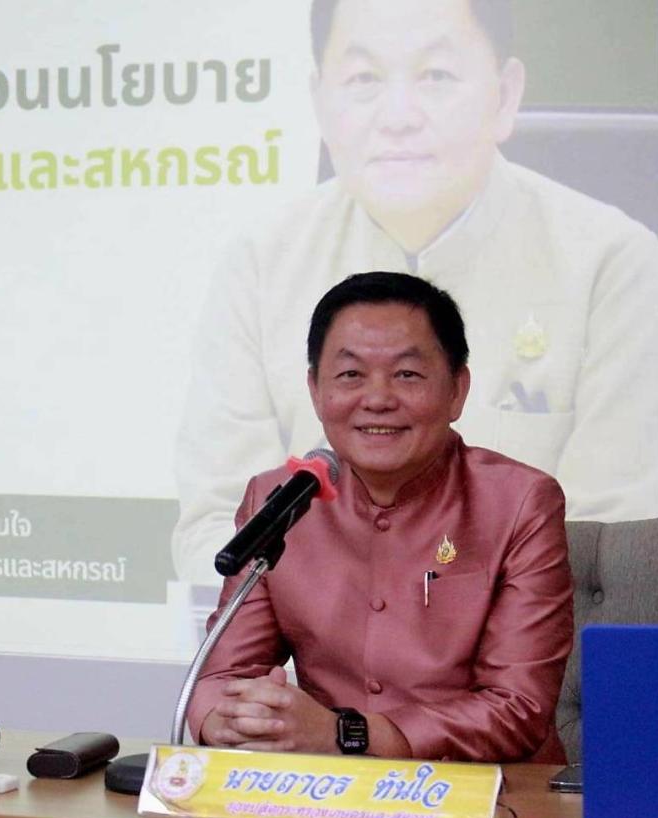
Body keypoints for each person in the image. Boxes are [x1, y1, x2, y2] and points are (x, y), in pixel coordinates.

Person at [173, 0, 658, 585]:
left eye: (435, 75)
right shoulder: (259, 263)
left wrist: (415, 621)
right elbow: (217, 527)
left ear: (505, 95)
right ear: (319, 103)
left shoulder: (609, 261)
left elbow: (607, 545)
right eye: (364, 79)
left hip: (523, 637)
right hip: (307, 642)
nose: (398, 117)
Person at [187, 272, 574, 763]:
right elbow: (221, 676)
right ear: (315, 390)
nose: (377, 399)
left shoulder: (520, 502)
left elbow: (517, 707)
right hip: (327, 795)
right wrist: (229, 719)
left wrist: (345, 734)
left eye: (407, 375)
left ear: (457, 390)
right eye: (350, 375)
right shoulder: (280, 502)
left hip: (494, 797)